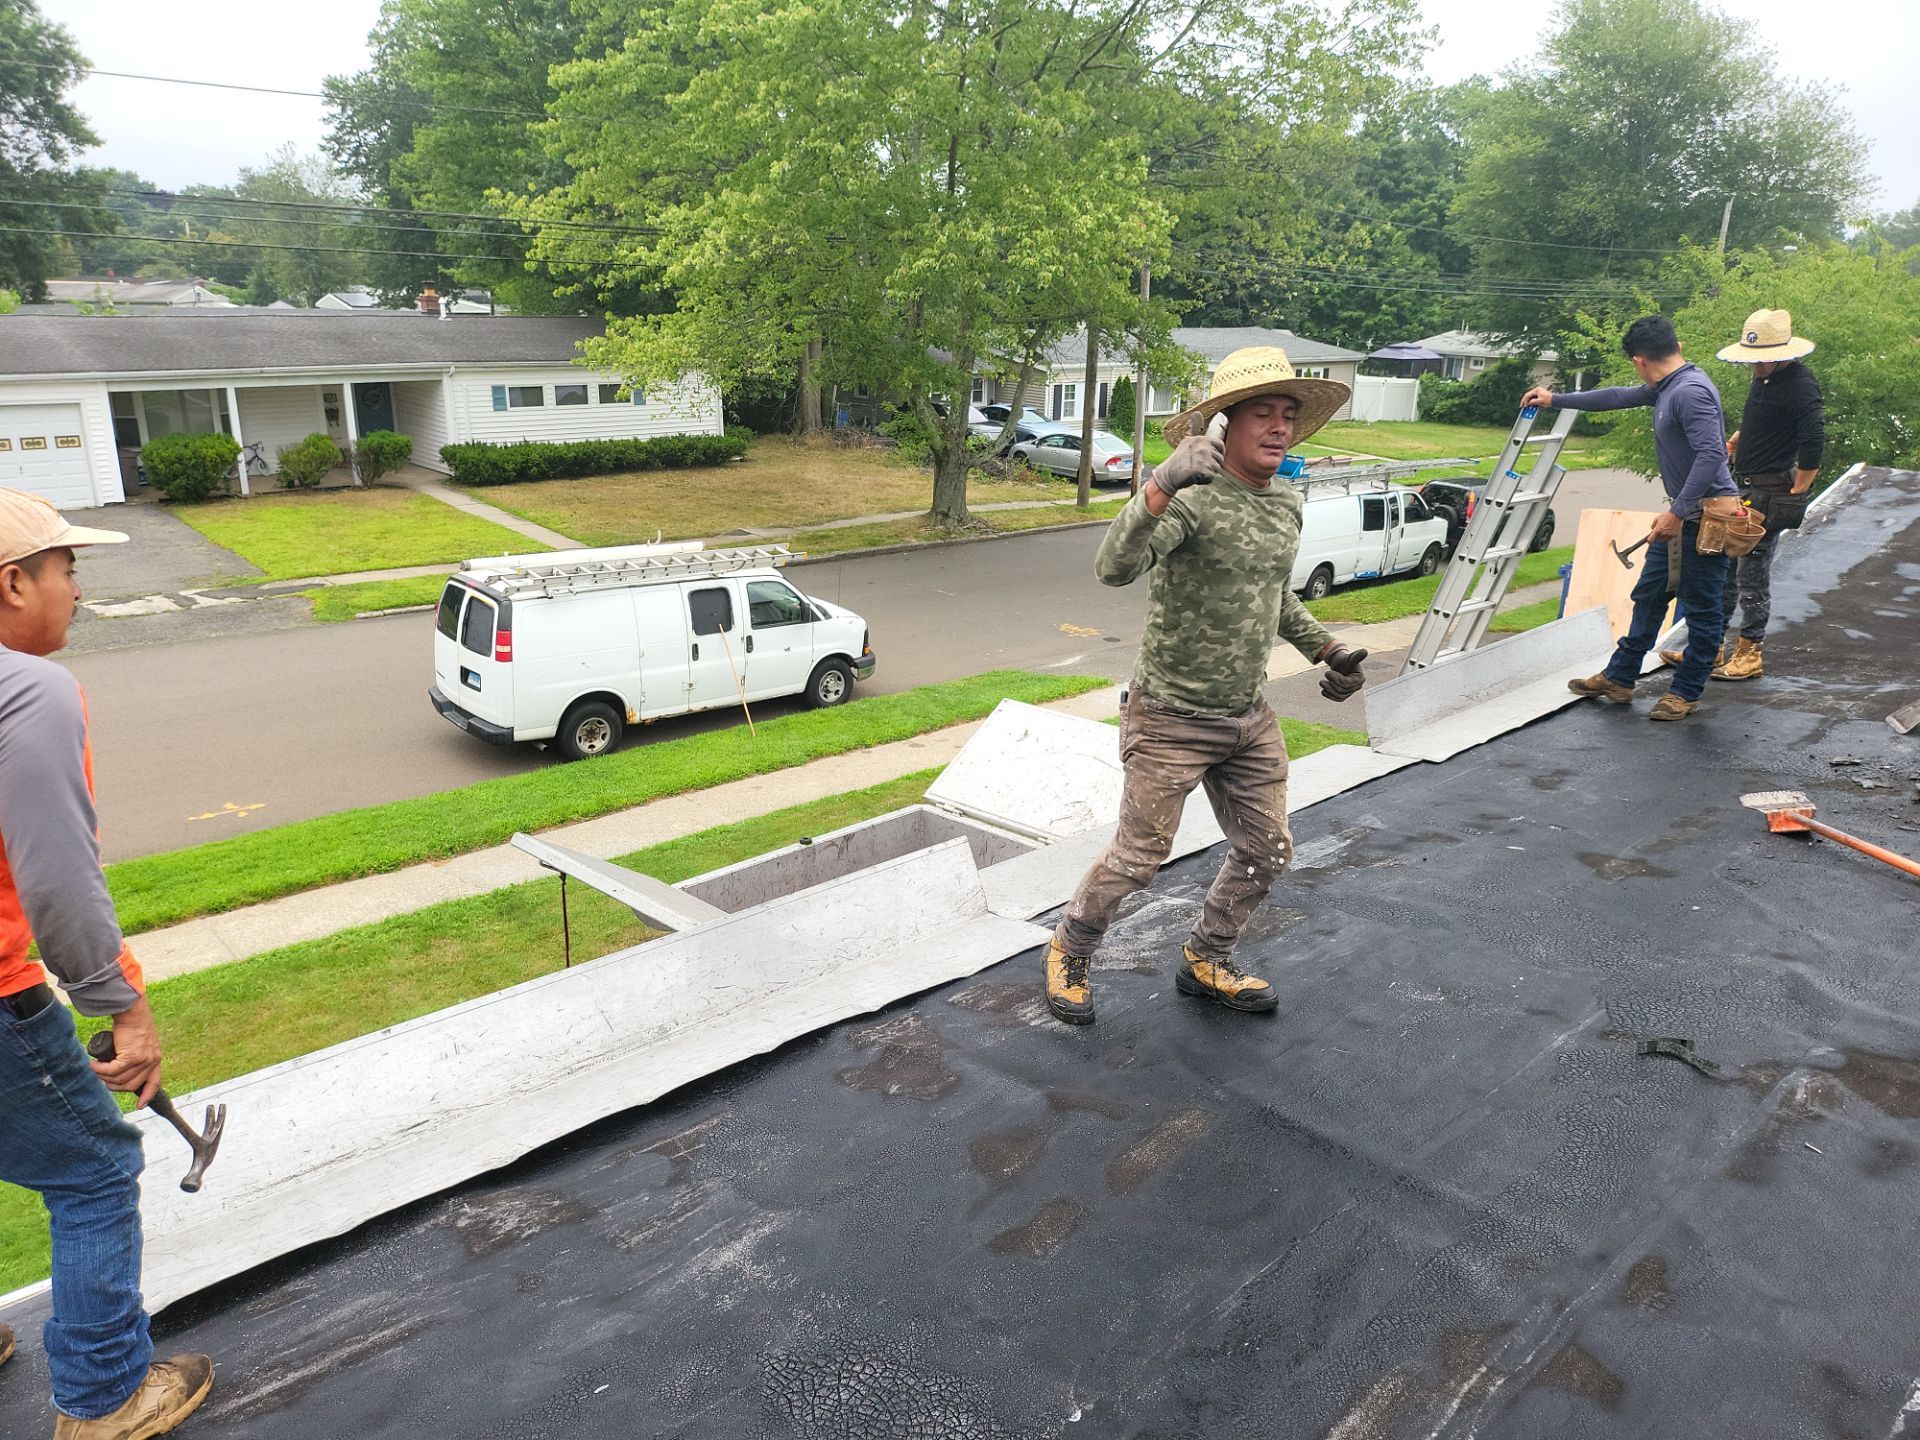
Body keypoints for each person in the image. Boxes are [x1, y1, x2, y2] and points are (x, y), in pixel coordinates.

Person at [1043, 347, 1368, 1025]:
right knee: (1138, 859)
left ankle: (1206, 957)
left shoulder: (1284, 502)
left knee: (1269, 849)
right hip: (1170, 718)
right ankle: (1070, 948)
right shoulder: (1191, 498)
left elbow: (1272, 594)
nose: (1278, 427)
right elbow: (1113, 567)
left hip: (1246, 718)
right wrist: (1159, 484)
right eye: (1262, 414)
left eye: (1287, 416)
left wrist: (1329, 649)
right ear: (1224, 423)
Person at [0, 489, 214, 1438]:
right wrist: (121, 1005)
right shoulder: (27, 691)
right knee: (92, 1170)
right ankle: (102, 1398)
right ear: (15, 583)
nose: (78, 590)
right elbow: (58, 880)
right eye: (68, 569)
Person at [1521, 315, 1745, 722]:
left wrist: (1677, 513)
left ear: (1639, 359)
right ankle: (1620, 677)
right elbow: (1616, 396)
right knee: (1649, 595)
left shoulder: (1690, 393)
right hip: (1684, 514)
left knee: (1703, 609)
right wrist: (1556, 400)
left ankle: (1686, 693)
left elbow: (1712, 455)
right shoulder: (1666, 387)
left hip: (1706, 518)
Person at [1652, 309, 1823, 682]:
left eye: (1763, 359)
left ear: (1783, 353)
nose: (1757, 365)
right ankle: (1710, 647)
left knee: (1752, 575)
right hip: (1743, 486)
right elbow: (1760, 420)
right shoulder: (1766, 380)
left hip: (1770, 491)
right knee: (1725, 568)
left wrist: (1800, 487)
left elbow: (1813, 435)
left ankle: (1750, 652)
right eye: (1754, 358)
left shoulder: (1800, 384)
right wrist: (1736, 440)